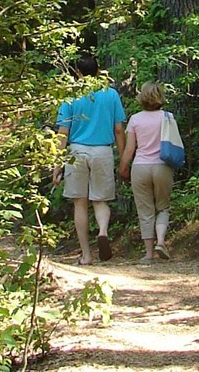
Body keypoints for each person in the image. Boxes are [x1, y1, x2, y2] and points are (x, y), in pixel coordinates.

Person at [53, 55, 126, 265]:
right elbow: (119, 129)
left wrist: (57, 165)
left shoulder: (70, 96)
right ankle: (102, 230)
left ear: (76, 72)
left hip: (76, 151)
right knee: (100, 200)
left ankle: (86, 255)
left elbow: (63, 133)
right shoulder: (110, 94)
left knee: (80, 203)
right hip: (102, 151)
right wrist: (123, 159)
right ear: (98, 70)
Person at [118, 81, 174, 264]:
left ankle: (149, 254)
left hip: (140, 167)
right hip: (162, 166)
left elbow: (129, 149)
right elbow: (174, 143)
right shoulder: (168, 117)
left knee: (145, 211)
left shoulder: (135, 119)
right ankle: (161, 241)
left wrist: (123, 167)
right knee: (163, 207)